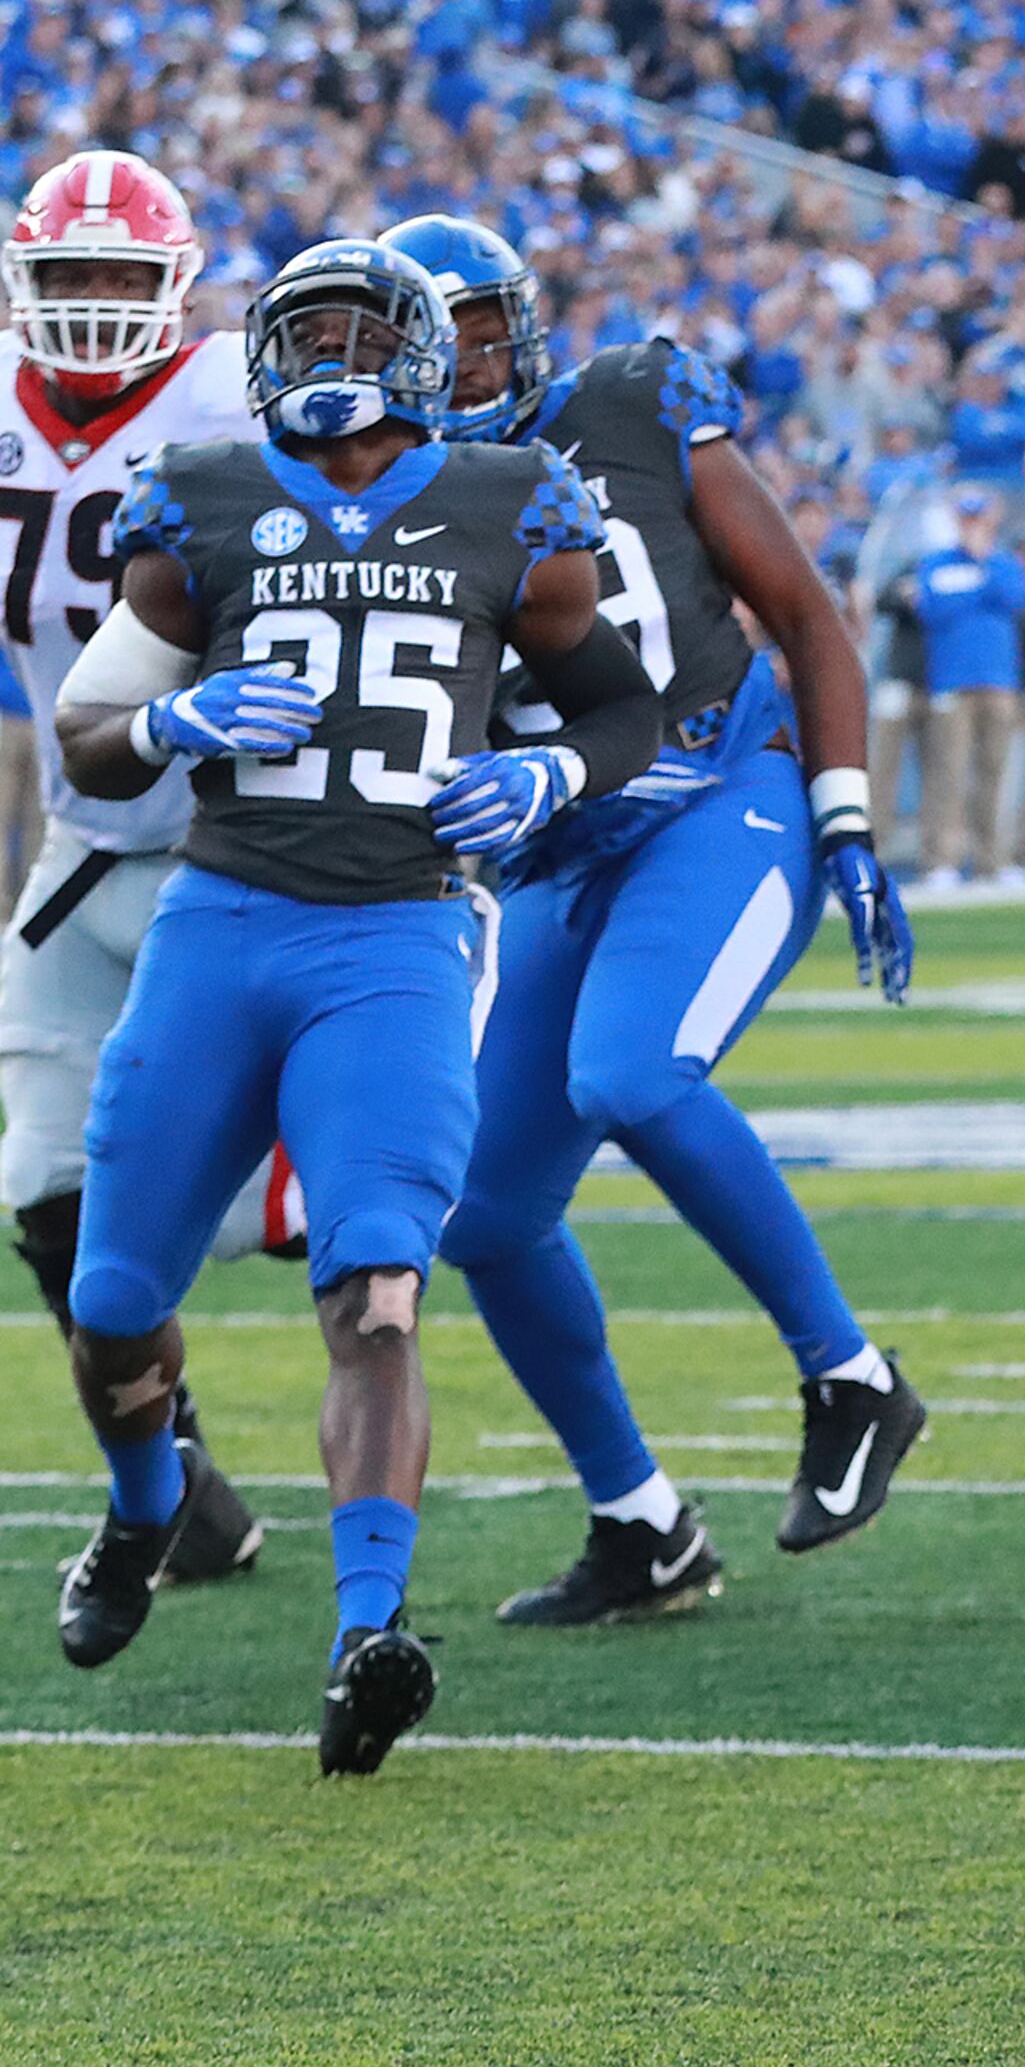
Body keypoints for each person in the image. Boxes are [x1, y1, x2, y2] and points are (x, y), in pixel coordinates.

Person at [46, 238, 661, 1769]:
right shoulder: (202, 493)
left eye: (347, 326)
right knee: (114, 1295)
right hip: (220, 919)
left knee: (377, 1281)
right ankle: (140, 1511)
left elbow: (628, 706)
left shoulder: (507, 498)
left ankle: (367, 1628)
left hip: (395, 933)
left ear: (409, 347)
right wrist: (176, 714)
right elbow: (85, 732)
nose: (320, 352)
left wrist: (548, 768)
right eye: (296, 327)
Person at [381, 214, 926, 1627]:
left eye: (492, 329)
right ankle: (643, 1522)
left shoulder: (631, 399)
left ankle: (852, 1376)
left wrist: (847, 809)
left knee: (629, 1070)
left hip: (719, 788)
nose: (475, 363)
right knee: (485, 1209)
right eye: (446, 342)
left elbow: (806, 612)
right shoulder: (382, 506)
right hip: (568, 850)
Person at [0, 150, 271, 1614]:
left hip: (244, 842)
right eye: (69, 278)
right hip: (78, 838)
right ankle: (176, 1495)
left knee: (226, 1210)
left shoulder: (244, 391)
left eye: (122, 275)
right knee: (46, 1188)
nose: (97, 306)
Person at [898, 486, 1025, 883]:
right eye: (968, 519)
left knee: (996, 772)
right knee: (949, 775)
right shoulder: (936, 563)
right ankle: (942, 861)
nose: (974, 527)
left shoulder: (1003, 562)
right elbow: (933, 609)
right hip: (952, 682)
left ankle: (994, 859)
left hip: (998, 679)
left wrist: (980, 568)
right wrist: (979, 590)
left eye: (980, 519)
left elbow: (1015, 598)